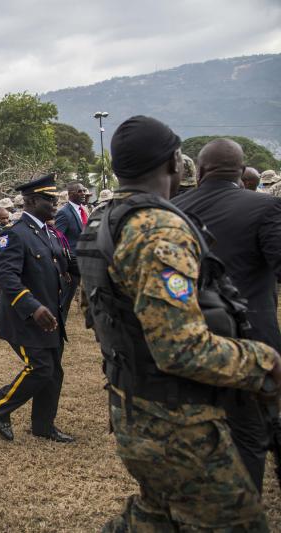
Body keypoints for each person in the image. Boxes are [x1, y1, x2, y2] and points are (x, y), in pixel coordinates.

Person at [77, 116, 281, 531]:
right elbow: (180, 348)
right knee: (239, 523)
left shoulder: (103, 219)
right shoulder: (157, 229)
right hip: (177, 421)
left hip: (134, 403)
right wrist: (266, 362)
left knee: (155, 516)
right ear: (176, 162)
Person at [173, 138, 281, 493]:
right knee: (254, 432)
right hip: (254, 337)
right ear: (242, 170)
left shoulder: (175, 211)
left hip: (193, 340)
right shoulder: (265, 208)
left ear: (200, 171)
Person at [0, 175, 74, 443]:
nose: (55, 203)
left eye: (55, 198)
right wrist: (33, 307)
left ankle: (43, 425)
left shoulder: (48, 232)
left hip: (50, 315)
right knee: (40, 368)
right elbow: (6, 277)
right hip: (25, 318)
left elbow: (67, 263)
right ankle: (0, 405)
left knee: (53, 371)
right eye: (49, 199)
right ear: (32, 201)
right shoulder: (14, 234)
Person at [54, 181, 87, 319]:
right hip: (71, 264)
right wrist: (64, 266)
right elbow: (58, 240)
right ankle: (57, 329)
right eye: (80, 191)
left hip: (84, 259)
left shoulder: (82, 210)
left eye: (84, 191)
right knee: (65, 299)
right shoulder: (64, 213)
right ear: (70, 194)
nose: (83, 194)